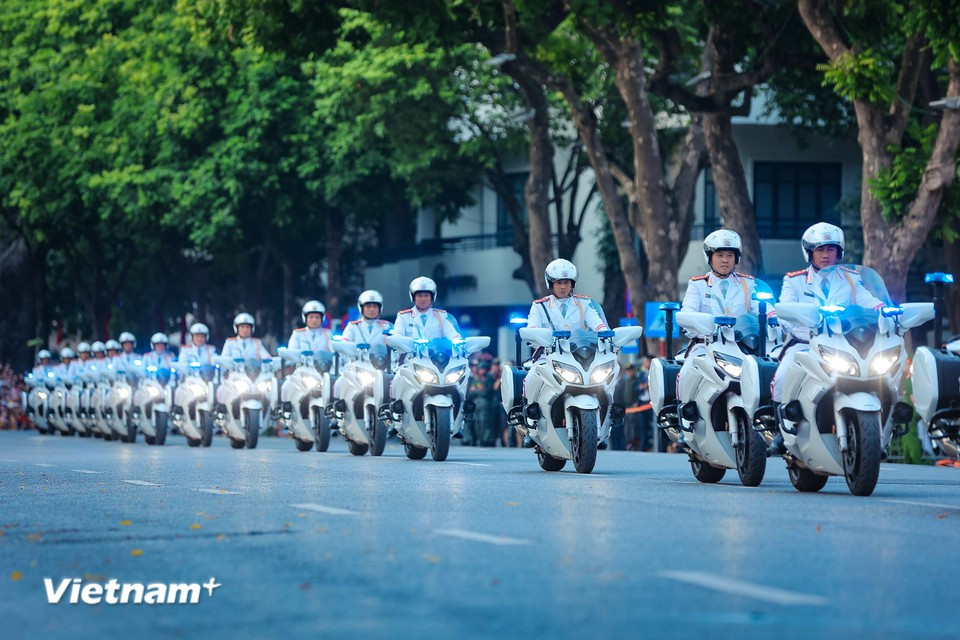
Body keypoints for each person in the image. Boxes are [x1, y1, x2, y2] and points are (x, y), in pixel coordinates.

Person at [768, 222, 884, 454]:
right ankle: (782, 430)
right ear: (809, 253)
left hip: (844, 344)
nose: (825, 255)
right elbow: (785, 309)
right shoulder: (794, 280)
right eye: (820, 250)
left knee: (880, 374)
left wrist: (885, 310)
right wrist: (790, 318)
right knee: (782, 377)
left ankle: (876, 432)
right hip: (804, 344)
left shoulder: (851, 279)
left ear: (839, 252)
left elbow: (867, 300)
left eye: (831, 249)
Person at [677, 230, 759, 419]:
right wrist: (696, 323)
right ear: (710, 257)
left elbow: (762, 309)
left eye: (730, 255)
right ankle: (685, 415)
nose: (725, 260)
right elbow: (688, 312)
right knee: (687, 371)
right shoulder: (697, 284)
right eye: (720, 255)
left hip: (740, 346)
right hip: (704, 345)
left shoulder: (747, 284)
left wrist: (772, 318)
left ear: (736, 258)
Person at [526, 259, 607, 333]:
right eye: (559, 283)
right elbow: (532, 332)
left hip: (579, 345)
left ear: (572, 284)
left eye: (566, 282)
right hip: (550, 345)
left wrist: (605, 334)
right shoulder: (539, 306)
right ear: (550, 284)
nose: (563, 287)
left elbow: (598, 325)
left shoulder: (584, 304)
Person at [393, 277, 461, 340]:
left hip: (436, 350)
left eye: (426, 295)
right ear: (413, 297)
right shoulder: (403, 317)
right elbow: (397, 338)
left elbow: (452, 333)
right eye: (419, 296)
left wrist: (457, 340)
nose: (423, 299)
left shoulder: (441, 316)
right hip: (410, 350)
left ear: (432, 297)